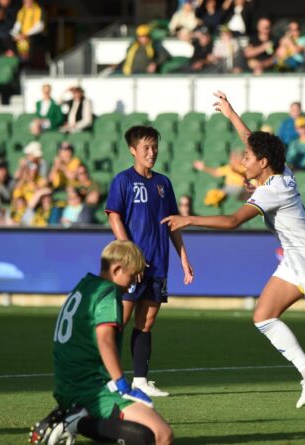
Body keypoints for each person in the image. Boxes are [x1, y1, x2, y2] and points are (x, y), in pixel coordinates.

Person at [162, 91, 305, 411]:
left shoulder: (272, 190)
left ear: (262, 163)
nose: (242, 160)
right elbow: (254, 141)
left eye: (247, 158)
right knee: (263, 316)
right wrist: (231, 114)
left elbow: (233, 220)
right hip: (296, 264)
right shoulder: (282, 175)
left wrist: (189, 218)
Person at [28, 240, 173, 445]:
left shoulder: (84, 285)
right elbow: (105, 340)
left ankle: (76, 418)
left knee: (141, 434)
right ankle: (76, 421)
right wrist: (121, 384)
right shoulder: (107, 292)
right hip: (92, 388)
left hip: (67, 386)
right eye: (131, 277)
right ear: (117, 269)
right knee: (161, 435)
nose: (132, 285)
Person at [105, 126, 194, 398]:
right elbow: (114, 216)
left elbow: (172, 224)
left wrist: (184, 258)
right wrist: (131, 256)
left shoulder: (163, 183)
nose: (151, 152)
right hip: (133, 265)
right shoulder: (123, 181)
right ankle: (110, 379)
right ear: (133, 150)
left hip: (158, 263)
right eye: (145, 147)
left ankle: (140, 380)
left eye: (154, 146)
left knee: (147, 322)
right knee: (120, 319)